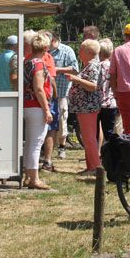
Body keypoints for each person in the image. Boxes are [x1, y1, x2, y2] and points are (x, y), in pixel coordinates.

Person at [22, 30, 53, 190]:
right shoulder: (39, 64)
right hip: (36, 105)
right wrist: (46, 109)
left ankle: (28, 176)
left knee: (29, 143)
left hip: (27, 105)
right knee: (36, 143)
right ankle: (34, 179)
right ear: (45, 48)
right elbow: (39, 89)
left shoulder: (27, 63)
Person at [67, 39, 103, 175]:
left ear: (89, 52)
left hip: (88, 107)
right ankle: (90, 166)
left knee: (89, 138)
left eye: (81, 50)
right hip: (83, 107)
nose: (79, 52)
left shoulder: (93, 66)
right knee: (88, 137)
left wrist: (76, 79)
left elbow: (94, 86)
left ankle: (94, 167)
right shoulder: (87, 65)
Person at [45, 31, 78, 161]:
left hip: (61, 92)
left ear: (53, 40)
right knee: (48, 120)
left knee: (61, 120)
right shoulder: (45, 52)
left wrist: (56, 70)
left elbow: (75, 69)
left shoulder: (66, 50)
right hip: (47, 93)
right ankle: (47, 149)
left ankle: (62, 147)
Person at [98, 39, 118, 142]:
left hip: (98, 103)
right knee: (110, 132)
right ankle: (112, 155)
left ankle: (99, 153)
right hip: (111, 103)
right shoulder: (114, 67)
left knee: (97, 131)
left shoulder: (97, 67)